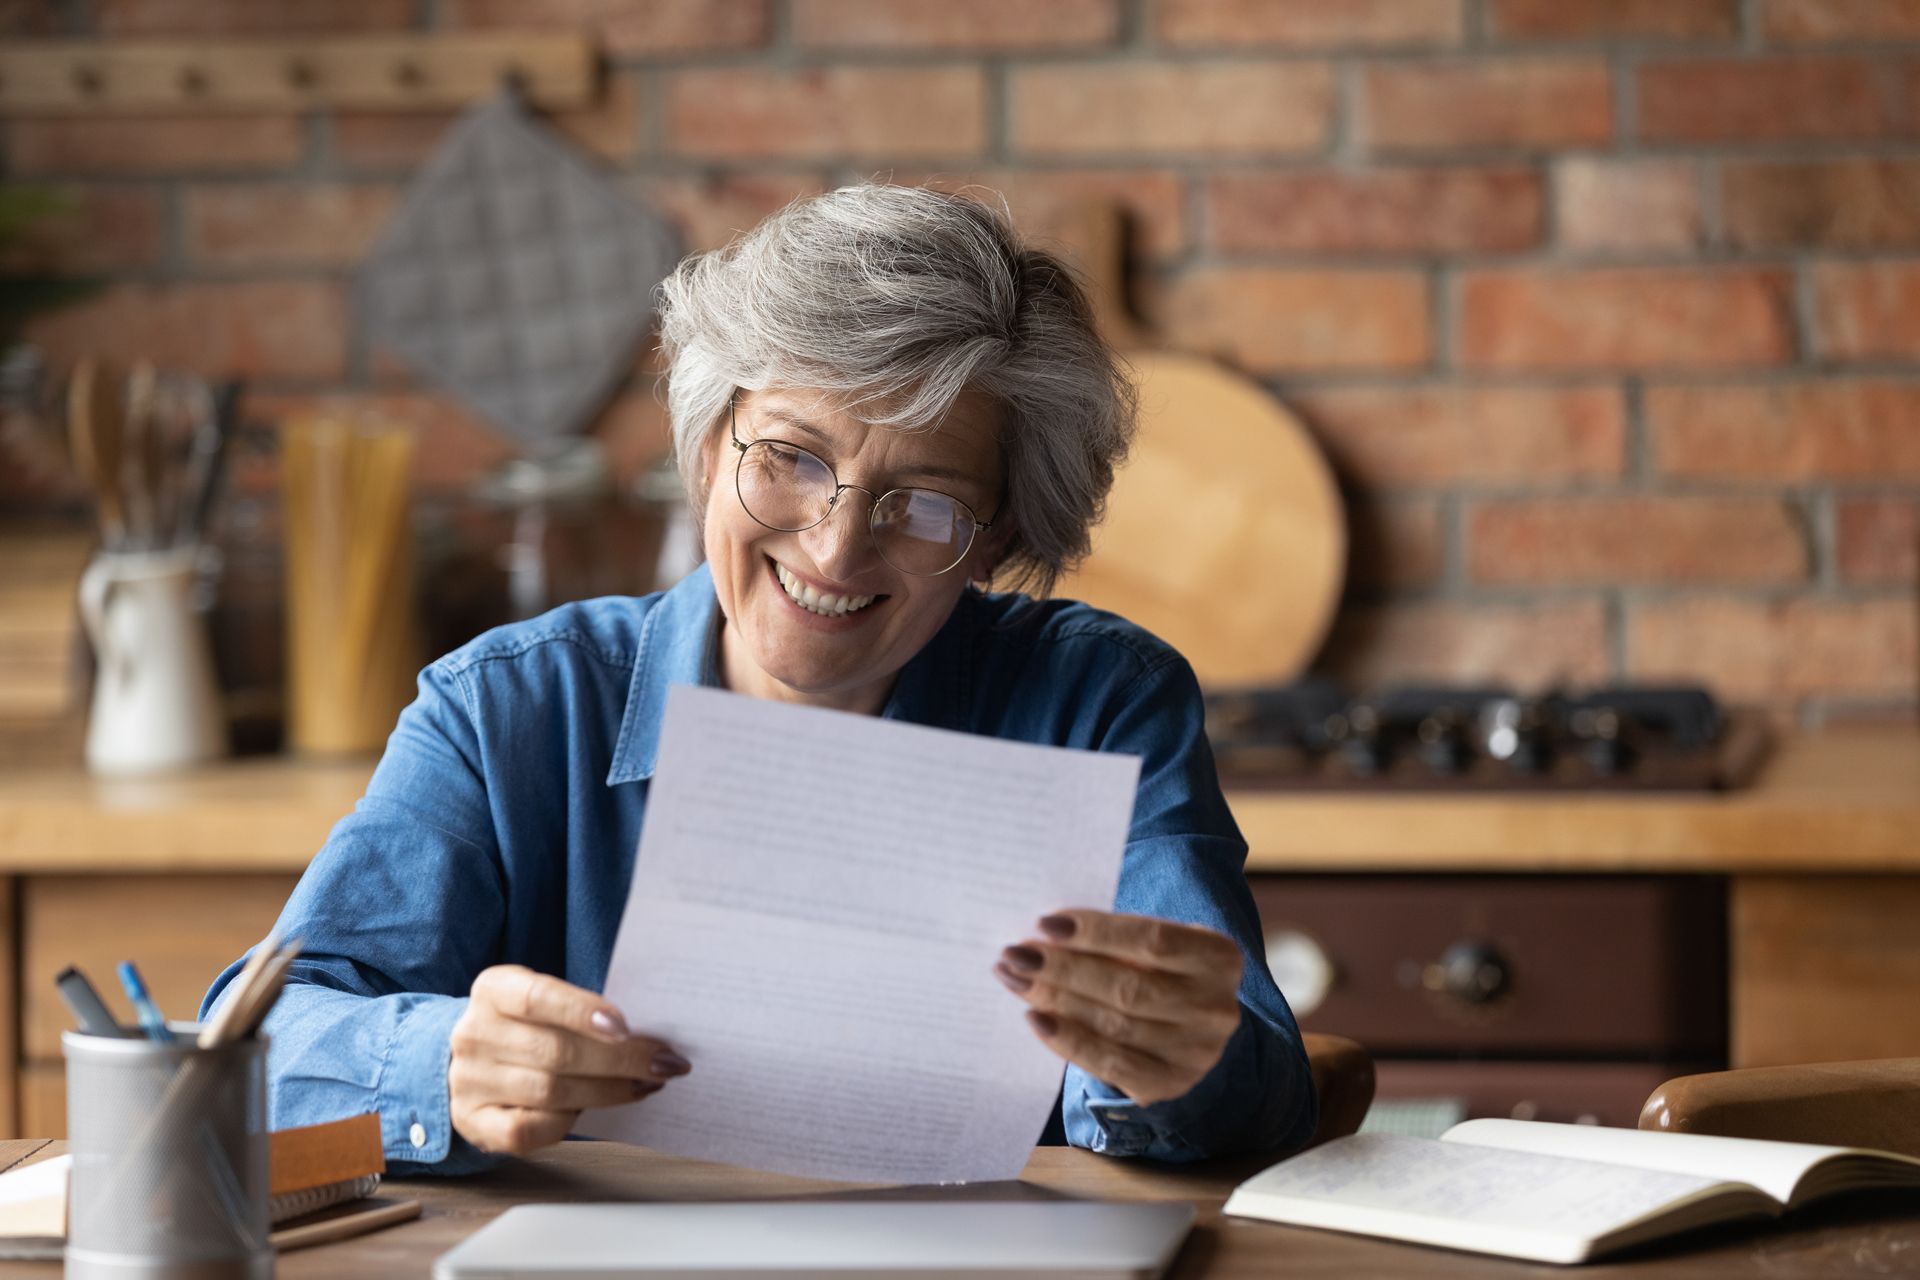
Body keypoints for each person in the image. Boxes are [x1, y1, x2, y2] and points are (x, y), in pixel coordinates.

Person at [204, 183, 1317, 1173]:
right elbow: (246, 1049)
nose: (836, 550)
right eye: (791, 456)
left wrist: (1169, 1058)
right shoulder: (507, 710)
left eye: (924, 501)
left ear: (999, 536)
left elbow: (1258, 1075)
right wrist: (436, 1061)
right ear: (705, 445)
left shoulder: (1099, 705)